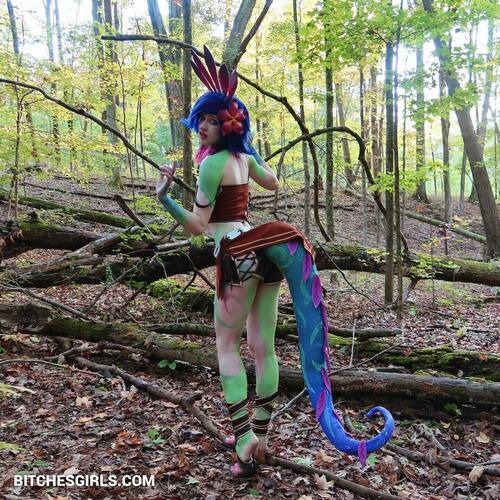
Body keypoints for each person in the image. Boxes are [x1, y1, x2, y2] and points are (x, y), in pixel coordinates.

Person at [157, 47, 394, 479]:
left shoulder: (211, 166)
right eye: (202, 120)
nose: (204, 127)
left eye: (212, 121)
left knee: (227, 346)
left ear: (228, 125)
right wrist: (248, 148)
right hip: (262, 251)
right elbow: (273, 181)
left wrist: (165, 198)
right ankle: (262, 436)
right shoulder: (243, 158)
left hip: (235, 255)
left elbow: (196, 226)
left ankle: (245, 441)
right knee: (263, 347)